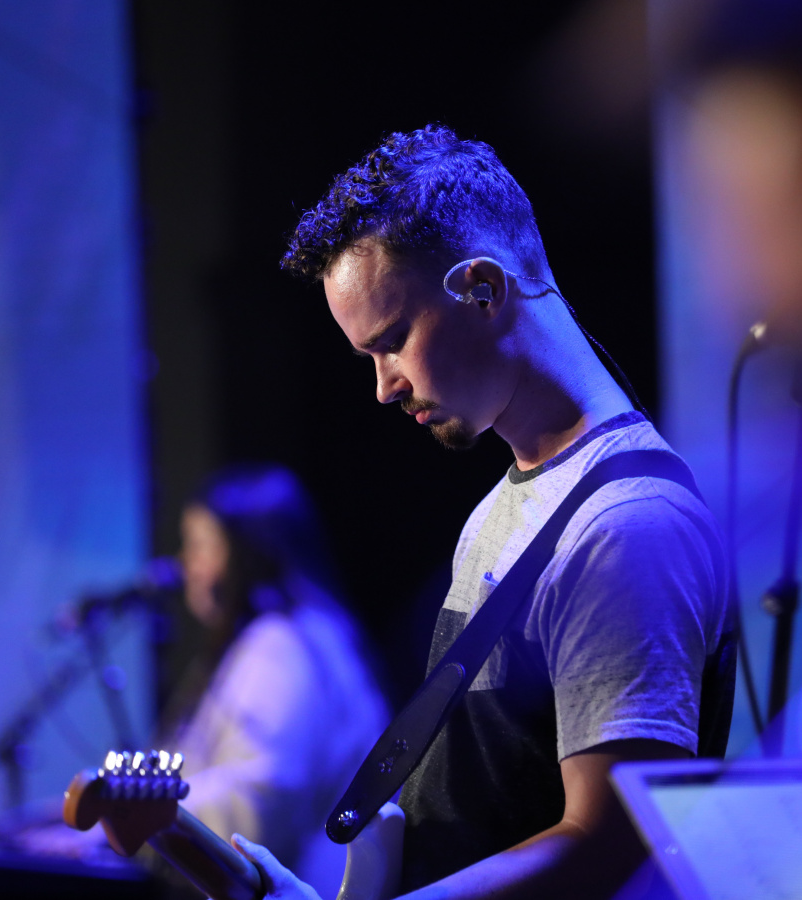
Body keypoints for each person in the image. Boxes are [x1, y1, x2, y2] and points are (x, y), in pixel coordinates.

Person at [229, 125, 734, 899]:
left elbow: (610, 842)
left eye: (393, 341)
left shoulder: (629, 527)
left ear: (484, 291)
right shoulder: (500, 511)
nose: (383, 387)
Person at [163, 465, 390, 897]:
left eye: (200, 545)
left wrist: (135, 822)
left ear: (247, 553)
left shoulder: (282, 647)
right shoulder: (293, 634)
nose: (185, 565)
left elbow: (260, 802)